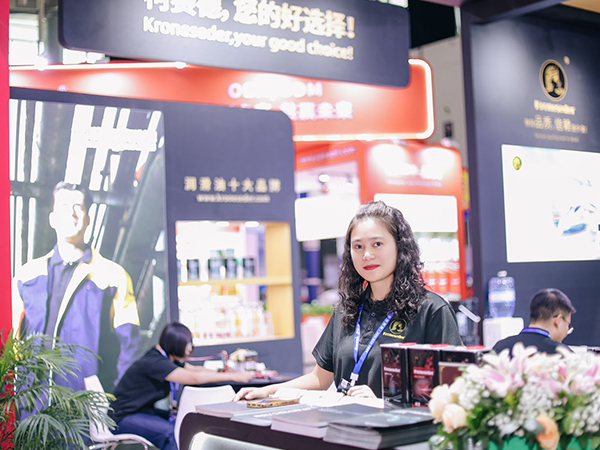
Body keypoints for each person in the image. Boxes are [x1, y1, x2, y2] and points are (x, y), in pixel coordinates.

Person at [234, 201, 462, 401]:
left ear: (399, 247)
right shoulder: (347, 310)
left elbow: (454, 386)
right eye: (358, 246)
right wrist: (270, 390)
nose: (367, 255)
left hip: (401, 431)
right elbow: (320, 378)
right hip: (344, 428)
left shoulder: (431, 310)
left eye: (377, 244)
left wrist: (384, 401)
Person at [12, 181, 141, 391]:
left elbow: (130, 344)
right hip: (34, 400)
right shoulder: (26, 276)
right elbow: (11, 340)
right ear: (52, 219)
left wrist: (114, 396)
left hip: (87, 401)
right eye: (63, 206)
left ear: (88, 218)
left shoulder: (113, 276)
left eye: (78, 207)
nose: (71, 213)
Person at [110, 322, 254, 450]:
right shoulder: (156, 362)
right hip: (122, 418)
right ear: (176, 344)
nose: (190, 348)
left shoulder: (166, 358)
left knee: (183, 423)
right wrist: (234, 376)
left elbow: (195, 370)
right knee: (170, 433)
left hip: (142, 412)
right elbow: (194, 378)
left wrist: (222, 372)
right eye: (188, 344)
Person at [492, 288, 575, 356]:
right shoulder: (564, 354)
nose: (567, 330)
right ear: (558, 320)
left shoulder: (500, 347)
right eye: (568, 324)